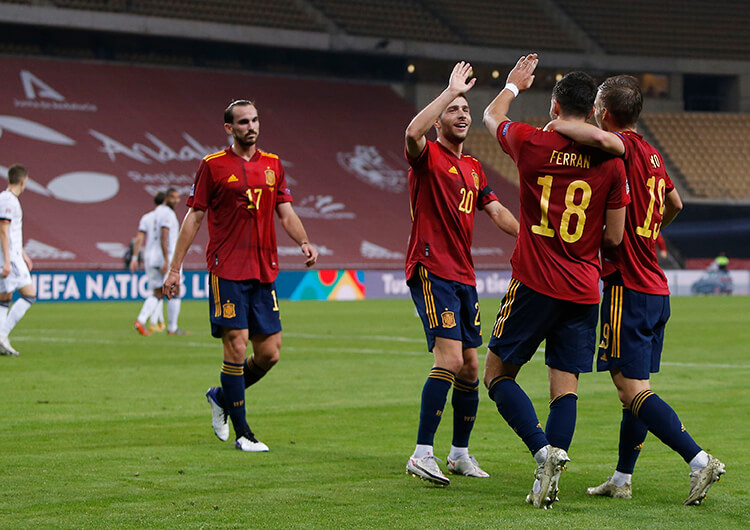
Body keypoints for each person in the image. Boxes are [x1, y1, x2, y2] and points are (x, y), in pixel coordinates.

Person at [546, 74, 725, 505]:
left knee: (631, 390)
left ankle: (699, 461)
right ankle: (623, 478)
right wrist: (648, 235)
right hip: (656, 287)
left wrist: (555, 124)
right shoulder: (655, 157)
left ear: (604, 114)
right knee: (635, 390)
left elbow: (591, 136)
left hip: (628, 286)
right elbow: (676, 204)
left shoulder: (622, 148)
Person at [482, 55, 629, 508]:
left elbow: (491, 116)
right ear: (594, 111)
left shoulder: (530, 143)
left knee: (496, 374)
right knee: (565, 385)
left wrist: (512, 86)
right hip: (584, 288)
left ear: (555, 104)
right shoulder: (612, 163)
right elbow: (616, 237)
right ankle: (553, 470)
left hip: (534, 281)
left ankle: (542, 451)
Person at [163, 99, 318, 452]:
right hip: (227, 268)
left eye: (255, 120)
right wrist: (175, 267)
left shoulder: (273, 165)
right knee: (236, 343)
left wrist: (304, 241)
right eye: (243, 122)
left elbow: (286, 212)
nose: (252, 126)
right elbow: (194, 218)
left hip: (264, 271)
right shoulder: (212, 166)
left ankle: (220, 397)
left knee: (269, 353)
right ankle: (243, 433)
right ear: (229, 128)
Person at [404, 61, 519, 486]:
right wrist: (448, 91)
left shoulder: (473, 168)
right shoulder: (426, 155)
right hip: (431, 268)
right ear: (440, 120)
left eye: (466, 109)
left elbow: (497, 211)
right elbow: (412, 133)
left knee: (471, 368)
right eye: (455, 109)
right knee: (450, 359)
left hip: (464, 276)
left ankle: (459, 454)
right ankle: (421, 453)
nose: (463, 114)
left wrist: (528, 236)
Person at [0, 164, 36, 357]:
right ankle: (2, 335)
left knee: (4, 298)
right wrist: (7, 260)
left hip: (13, 255)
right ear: (23, 181)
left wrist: (23, 253)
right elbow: (3, 230)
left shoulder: (6, 199)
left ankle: (1, 340)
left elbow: (10, 231)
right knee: (29, 295)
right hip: (10, 258)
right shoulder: (8, 201)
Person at [130, 191, 167, 335]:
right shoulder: (166, 217)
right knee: (162, 291)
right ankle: (143, 320)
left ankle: (155, 322)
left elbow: (139, 239)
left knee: (158, 291)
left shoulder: (146, 217)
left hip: (149, 258)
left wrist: (134, 258)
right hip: (162, 257)